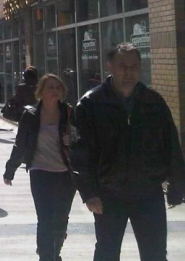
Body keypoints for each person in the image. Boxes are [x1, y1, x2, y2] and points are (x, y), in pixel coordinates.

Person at [71, 43, 185, 261]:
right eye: (123, 66)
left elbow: (170, 145)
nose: (129, 72)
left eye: (134, 67)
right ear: (110, 67)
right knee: (107, 251)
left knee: (155, 252)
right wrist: (88, 192)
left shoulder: (154, 102)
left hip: (148, 192)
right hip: (108, 193)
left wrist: (177, 184)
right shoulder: (90, 104)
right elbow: (79, 153)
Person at [4, 74, 76, 261]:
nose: (55, 91)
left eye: (58, 88)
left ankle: (55, 252)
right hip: (40, 172)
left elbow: (81, 142)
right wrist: (10, 169)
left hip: (65, 174)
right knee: (45, 218)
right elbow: (21, 143)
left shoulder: (69, 113)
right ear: (41, 92)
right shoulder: (31, 115)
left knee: (60, 219)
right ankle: (46, 256)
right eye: (51, 87)